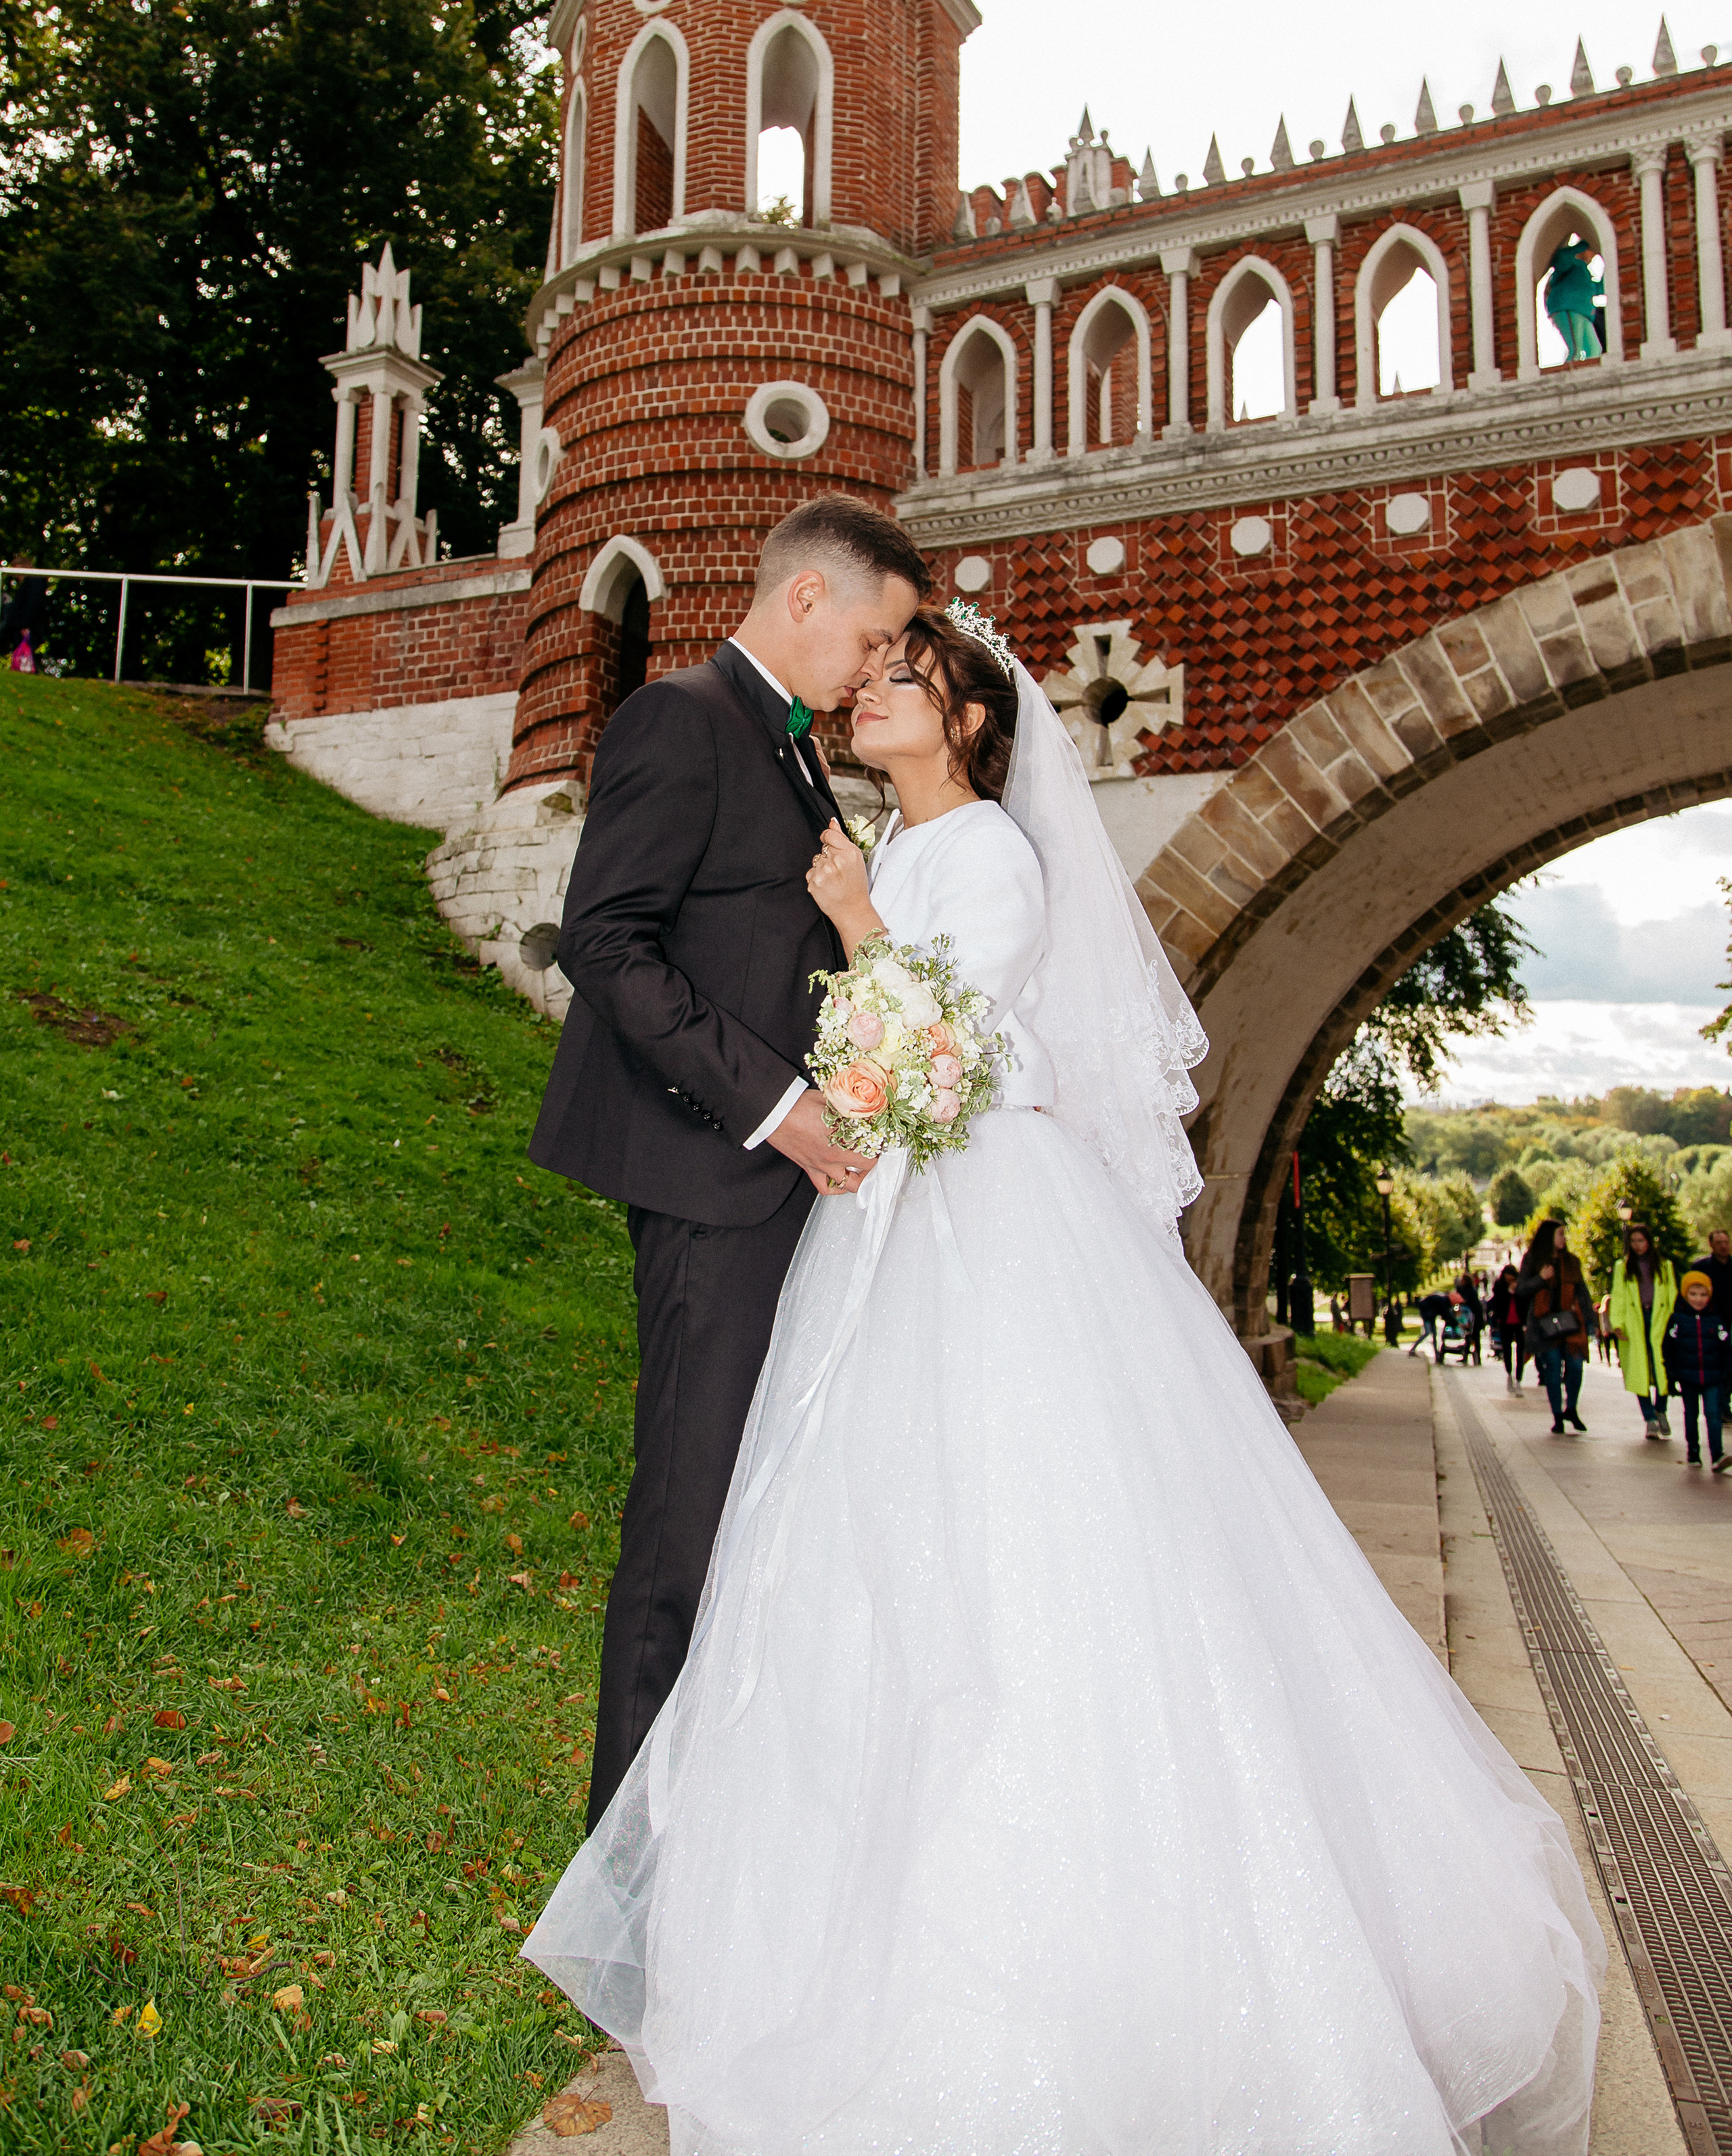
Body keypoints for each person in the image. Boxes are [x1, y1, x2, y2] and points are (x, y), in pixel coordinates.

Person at [527, 604, 1603, 2155]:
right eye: (871, 672)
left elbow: (950, 1057)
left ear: (968, 723)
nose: (869, 690)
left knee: (1018, 1546)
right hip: (884, 1226)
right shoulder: (883, 848)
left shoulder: (989, 861)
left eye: (901, 677)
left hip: (989, 1226)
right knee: (856, 1559)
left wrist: (859, 928)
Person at [527, 495, 929, 1825]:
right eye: (873, 638)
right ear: (806, 596)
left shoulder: (789, 744)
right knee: (684, 1528)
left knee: (750, 1515)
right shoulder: (679, 717)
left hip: (770, 1189)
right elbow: (605, 941)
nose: (877, 668)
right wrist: (779, 1110)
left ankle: (709, 1830)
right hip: (709, 1179)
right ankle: (627, 1862)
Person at [1608, 1220, 1679, 1441]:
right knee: (1639, 1369)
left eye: (1641, 1240)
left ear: (1649, 1241)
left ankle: (1661, 1410)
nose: (1638, 1245)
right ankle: (1649, 1418)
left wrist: (1674, 1321)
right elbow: (1619, 1295)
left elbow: (1672, 1295)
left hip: (1660, 1320)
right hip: (1635, 1321)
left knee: (1663, 1368)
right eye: (1633, 1241)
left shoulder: (1665, 1266)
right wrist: (1617, 1323)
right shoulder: (1623, 1266)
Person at [1520, 1220, 1590, 1433]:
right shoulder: (1533, 1260)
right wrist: (1540, 1279)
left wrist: (1591, 1322)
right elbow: (1521, 1290)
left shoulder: (1572, 1262)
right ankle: (1557, 1416)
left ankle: (1571, 1408)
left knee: (1576, 1365)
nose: (1564, 1238)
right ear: (1549, 1236)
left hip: (1570, 1323)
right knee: (1553, 1366)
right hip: (1544, 1325)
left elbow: (1582, 1293)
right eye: (1561, 1234)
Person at [1661, 1271, 1731, 1471]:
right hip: (1687, 1377)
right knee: (1691, 1414)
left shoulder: (1716, 1320)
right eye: (1693, 1294)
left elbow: (1726, 1348)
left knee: (1713, 1414)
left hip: (1713, 1377)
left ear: (1710, 1296)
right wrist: (1671, 1374)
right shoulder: (1677, 1319)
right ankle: (1693, 1452)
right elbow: (1668, 1347)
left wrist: (1727, 1373)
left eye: (1703, 1295)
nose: (1698, 1299)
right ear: (1685, 1294)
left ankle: (1717, 1455)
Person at [0, 555, 49, 673]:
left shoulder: (34, 581)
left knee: (26, 654)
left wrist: (25, 625)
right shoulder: (32, 581)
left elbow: (32, 604)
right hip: (23, 625)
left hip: (26, 626)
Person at [1488, 1260, 1527, 1388]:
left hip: (1519, 1322)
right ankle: (1509, 1373)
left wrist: (1517, 1291)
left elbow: (1525, 1301)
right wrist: (1509, 1291)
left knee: (1521, 1351)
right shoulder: (1499, 1285)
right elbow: (1497, 1302)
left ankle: (1519, 1379)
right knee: (1506, 1350)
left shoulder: (1521, 1285)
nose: (1509, 1279)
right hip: (1505, 1322)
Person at [1696, 1225, 1732, 1331]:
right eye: (1719, 1243)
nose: (1724, 1246)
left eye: (1726, 1242)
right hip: (1709, 1319)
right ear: (1711, 1245)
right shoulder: (1700, 1268)